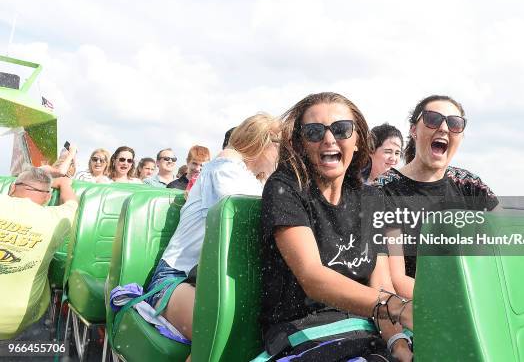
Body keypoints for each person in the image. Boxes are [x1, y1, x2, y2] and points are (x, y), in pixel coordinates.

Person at [260, 92, 413, 361]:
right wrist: (397, 307)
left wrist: (398, 344)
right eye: (314, 131)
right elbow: (312, 278)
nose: (329, 139)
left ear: (357, 141)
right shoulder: (285, 188)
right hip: (303, 332)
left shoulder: (373, 200)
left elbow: (382, 284)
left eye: (341, 129)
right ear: (300, 143)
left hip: (365, 331)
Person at [146, 113, 280, 350]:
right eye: (281, 146)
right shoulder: (225, 168)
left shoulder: (247, 177)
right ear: (263, 142)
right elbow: (256, 221)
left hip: (210, 282)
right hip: (174, 280)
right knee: (224, 332)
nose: (285, 154)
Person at [375, 95, 499, 299]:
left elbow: (508, 242)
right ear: (413, 130)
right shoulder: (383, 191)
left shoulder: (471, 186)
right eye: (433, 119)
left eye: (455, 123)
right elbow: (397, 279)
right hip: (422, 309)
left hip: (477, 298)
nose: (443, 128)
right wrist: (455, 300)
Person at [0, 167, 77, 339]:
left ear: (12, 188)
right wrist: (63, 183)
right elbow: (72, 203)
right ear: (48, 198)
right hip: (18, 321)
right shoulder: (57, 219)